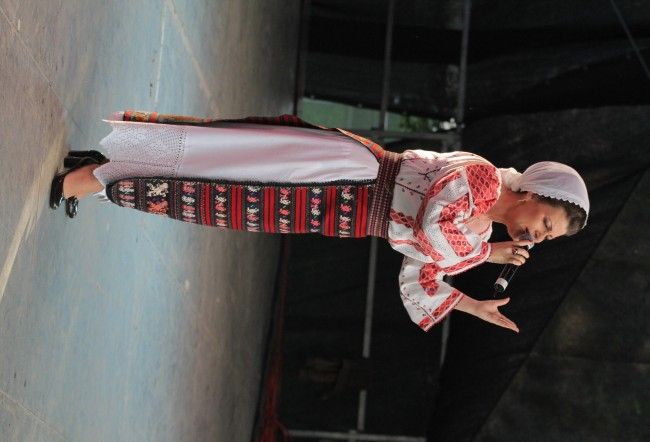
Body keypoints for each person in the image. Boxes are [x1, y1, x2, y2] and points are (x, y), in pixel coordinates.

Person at [50, 110, 589, 333]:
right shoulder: (483, 180)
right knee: (226, 168)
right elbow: (430, 225)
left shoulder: (478, 231)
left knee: (218, 199)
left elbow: (418, 274)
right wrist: (484, 257)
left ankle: (104, 171)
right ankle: (92, 177)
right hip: (345, 175)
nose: (536, 236)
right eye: (546, 223)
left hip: (336, 213)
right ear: (534, 191)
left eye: (547, 238)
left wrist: (471, 303)